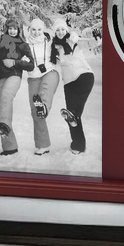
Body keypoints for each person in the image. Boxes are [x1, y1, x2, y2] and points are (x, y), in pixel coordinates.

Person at [51, 18, 95, 155]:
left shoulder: (72, 40)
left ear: (66, 30)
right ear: (54, 32)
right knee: (72, 116)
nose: (60, 32)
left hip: (83, 75)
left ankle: (74, 115)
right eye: (57, 30)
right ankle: (78, 145)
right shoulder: (54, 48)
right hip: (69, 82)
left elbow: (88, 43)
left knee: (74, 113)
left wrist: (96, 38)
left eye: (62, 29)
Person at [0, 15, 33, 156]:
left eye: (15, 28)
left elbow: (31, 64)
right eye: (10, 28)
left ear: (19, 30)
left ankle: (4, 126)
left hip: (14, 75)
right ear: (6, 29)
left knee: (6, 96)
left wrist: (15, 62)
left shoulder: (23, 45)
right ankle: (10, 147)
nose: (12, 31)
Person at [25, 17, 59, 156]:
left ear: (43, 29)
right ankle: (43, 145)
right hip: (33, 76)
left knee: (44, 93)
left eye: (39, 29)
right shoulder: (25, 44)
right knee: (35, 110)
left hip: (50, 72)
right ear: (29, 30)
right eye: (33, 29)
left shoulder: (49, 41)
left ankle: (43, 106)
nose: (36, 32)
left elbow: (64, 38)